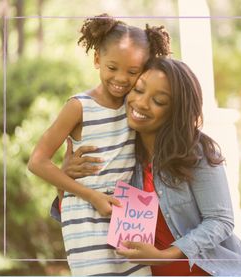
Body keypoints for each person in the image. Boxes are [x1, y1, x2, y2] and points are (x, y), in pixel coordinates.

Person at [63, 57, 241, 276]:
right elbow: (77, 217)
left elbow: (220, 221)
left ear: (176, 112)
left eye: (159, 101)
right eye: (138, 90)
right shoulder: (121, 153)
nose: (142, 103)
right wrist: (65, 180)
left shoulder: (196, 152)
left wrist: (164, 256)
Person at [28, 14, 170, 276]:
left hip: (128, 213)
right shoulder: (79, 106)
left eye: (132, 71)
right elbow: (37, 162)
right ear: (97, 60)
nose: (121, 78)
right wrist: (91, 195)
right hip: (85, 216)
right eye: (112, 67)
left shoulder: (136, 106)